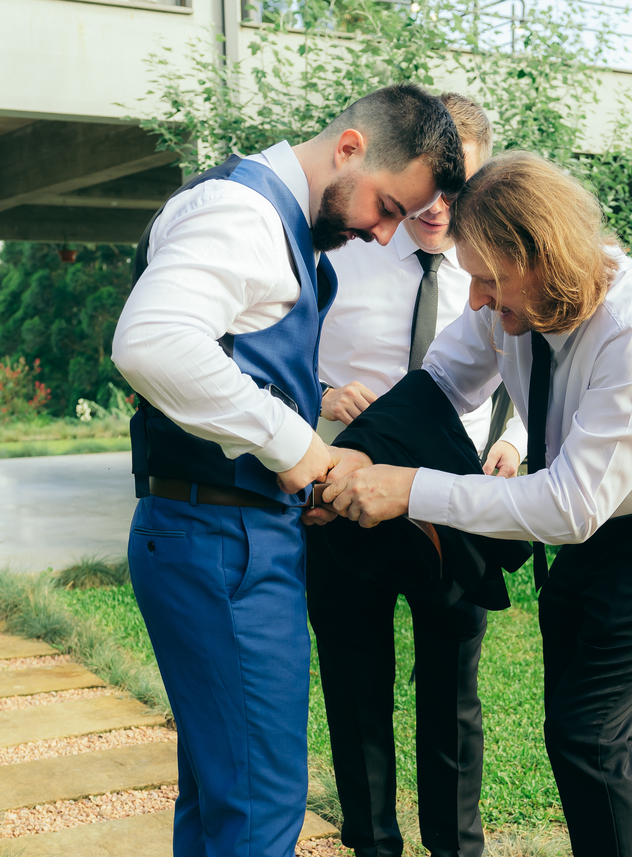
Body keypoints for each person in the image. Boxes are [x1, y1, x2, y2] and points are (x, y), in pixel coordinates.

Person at [312, 151, 632, 857]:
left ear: (539, 255)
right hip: (594, 520)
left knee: (588, 727)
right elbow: (441, 380)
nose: (474, 298)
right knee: (584, 731)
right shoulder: (512, 302)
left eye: (486, 279)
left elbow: (569, 505)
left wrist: (409, 488)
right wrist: (357, 452)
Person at [111, 84, 466, 857]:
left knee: (221, 793)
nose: (383, 234)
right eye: (389, 206)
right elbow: (150, 343)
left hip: (223, 531)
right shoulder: (240, 215)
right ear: (349, 147)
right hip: (221, 541)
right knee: (260, 803)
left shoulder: (270, 222)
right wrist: (298, 448)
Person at [306, 92, 523, 857]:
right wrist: (322, 394)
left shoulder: (499, 268)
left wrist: (519, 439)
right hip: (346, 499)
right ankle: (371, 845)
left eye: (458, 189)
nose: (438, 207)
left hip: (453, 508)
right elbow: (284, 354)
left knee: (452, 696)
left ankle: (456, 849)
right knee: (356, 685)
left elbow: (529, 368)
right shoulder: (343, 247)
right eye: (431, 188)